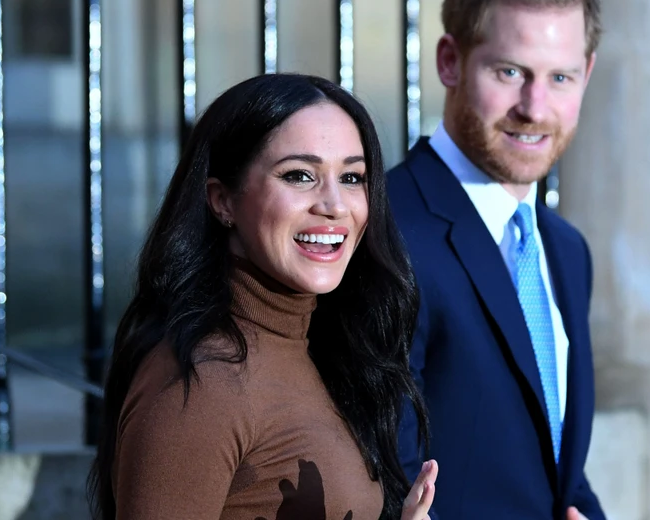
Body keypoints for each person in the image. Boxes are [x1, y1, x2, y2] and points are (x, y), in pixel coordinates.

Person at [87, 73, 438, 520]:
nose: (333, 204)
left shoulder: (322, 351)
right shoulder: (200, 383)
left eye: (352, 177)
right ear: (222, 201)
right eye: (299, 175)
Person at [389, 0, 606, 519]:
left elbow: (553, 463)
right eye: (509, 72)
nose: (535, 107)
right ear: (450, 62)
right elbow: (383, 471)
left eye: (560, 77)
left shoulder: (565, 251)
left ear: (586, 74)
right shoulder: (386, 229)